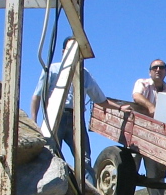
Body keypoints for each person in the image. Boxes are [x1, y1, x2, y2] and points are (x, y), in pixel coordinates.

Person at [30, 37, 113, 184]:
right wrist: (34, 121)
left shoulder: (84, 74)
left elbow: (100, 99)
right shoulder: (52, 69)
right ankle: (51, 192)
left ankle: (89, 194)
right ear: (63, 52)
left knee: (84, 158)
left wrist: (119, 107)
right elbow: (37, 96)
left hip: (76, 117)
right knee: (50, 154)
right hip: (55, 116)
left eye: (78, 50)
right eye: (71, 49)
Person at [125, 58, 166, 195]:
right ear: (150, 71)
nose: (158, 70)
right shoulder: (142, 83)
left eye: (162, 67)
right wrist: (150, 106)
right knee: (129, 170)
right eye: (155, 67)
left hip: (157, 138)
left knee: (154, 173)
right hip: (138, 133)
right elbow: (136, 96)